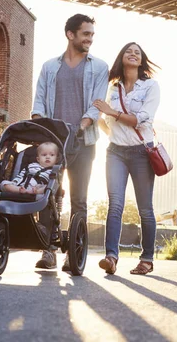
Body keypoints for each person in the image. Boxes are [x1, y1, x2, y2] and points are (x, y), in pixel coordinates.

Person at [31, 14, 109, 270]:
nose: (90, 39)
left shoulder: (99, 67)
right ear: (70, 34)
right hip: (53, 141)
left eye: (92, 35)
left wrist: (81, 127)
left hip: (83, 141)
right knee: (48, 193)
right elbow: (39, 101)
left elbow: (96, 105)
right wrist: (41, 124)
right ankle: (48, 251)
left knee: (79, 198)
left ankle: (73, 253)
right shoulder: (49, 67)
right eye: (86, 34)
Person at [93, 42, 160, 275]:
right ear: (122, 57)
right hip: (116, 152)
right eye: (128, 51)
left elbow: (141, 119)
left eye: (137, 52)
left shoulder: (151, 86)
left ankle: (147, 259)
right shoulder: (113, 88)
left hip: (142, 152)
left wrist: (111, 112)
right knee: (115, 205)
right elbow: (102, 119)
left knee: (145, 210)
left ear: (141, 61)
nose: (132, 54)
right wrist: (109, 128)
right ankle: (111, 257)